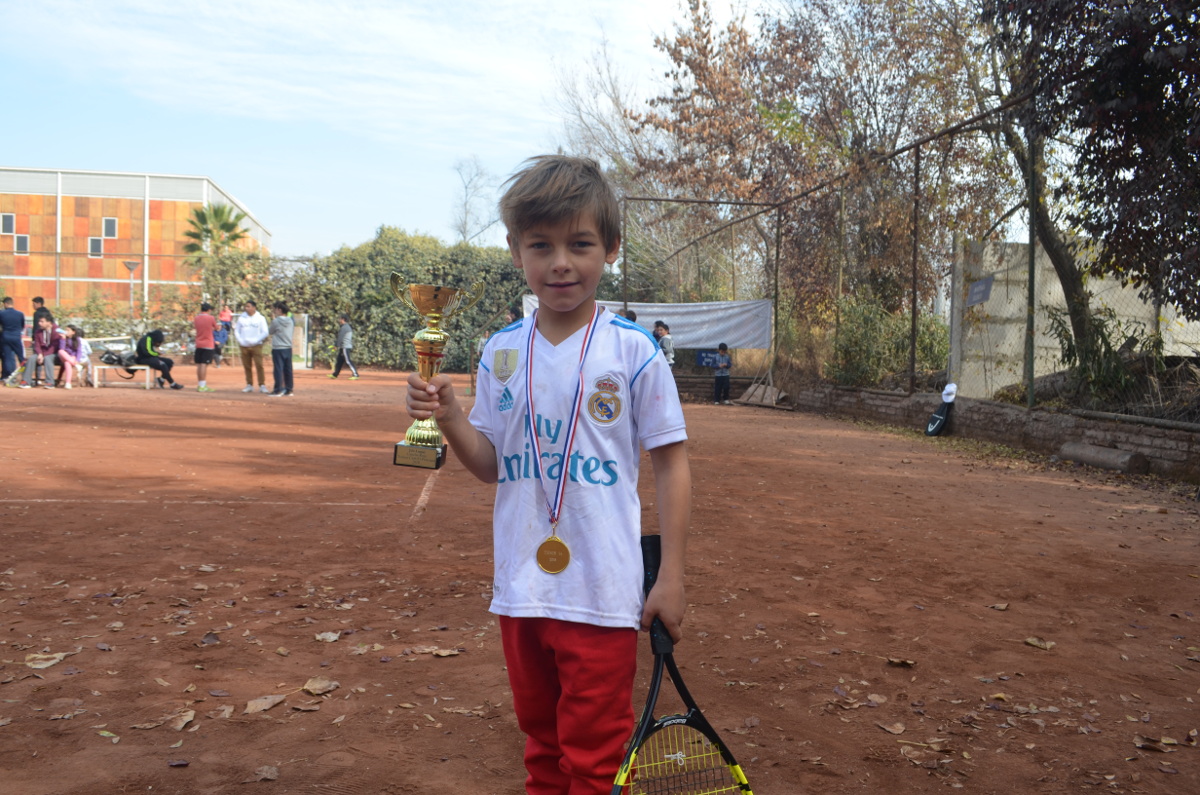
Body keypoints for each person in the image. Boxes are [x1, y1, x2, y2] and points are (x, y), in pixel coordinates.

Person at [406, 155, 690, 794]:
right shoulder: (501, 351)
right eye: (542, 245)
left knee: (592, 761)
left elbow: (672, 464)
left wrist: (670, 577)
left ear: (610, 250)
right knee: (542, 750)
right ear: (516, 252)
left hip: (603, 591)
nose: (561, 261)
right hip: (521, 589)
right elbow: (489, 466)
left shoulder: (634, 353)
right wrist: (450, 416)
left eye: (580, 244)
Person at [234, 300, 269, 393]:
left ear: (254, 308)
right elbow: (237, 330)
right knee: (247, 366)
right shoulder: (242, 318)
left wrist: (256, 340)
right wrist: (241, 341)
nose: (246, 308)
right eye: (246, 306)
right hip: (244, 345)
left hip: (256, 345)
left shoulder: (260, 318)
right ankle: (249, 384)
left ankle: (262, 385)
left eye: (249, 306)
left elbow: (265, 332)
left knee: (259, 365)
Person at [17, 314, 60, 388]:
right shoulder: (38, 332)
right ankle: (26, 381)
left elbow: (54, 347)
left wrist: (44, 355)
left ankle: (50, 382)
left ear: (49, 322)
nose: (39, 323)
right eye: (39, 321)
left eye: (42, 321)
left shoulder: (56, 331)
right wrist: (40, 354)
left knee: (48, 358)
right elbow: (37, 345)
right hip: (42, 353)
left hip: (55, 354)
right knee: (32, 358)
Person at [268, 301, 295, 396]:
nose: (274, 311)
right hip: (288, 347)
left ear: (279, 310)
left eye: (275, 309)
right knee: (288, 369)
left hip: (278, 348)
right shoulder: (290, 321)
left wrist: (273, 320)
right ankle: (289, 389)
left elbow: (270, 331)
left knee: (278, 369)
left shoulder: (276, 321)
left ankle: (278, 390)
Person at [193, 302, 219, 392]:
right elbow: (216, 328)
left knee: (199, 364)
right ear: (209, 310)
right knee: (204, 364)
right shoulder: (211, 318)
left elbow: (198, 328)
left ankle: (200, 384)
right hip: (208, 344)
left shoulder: (196, 318)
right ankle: (202, 385)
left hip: (198, 343)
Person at [0, 296, 25, 383]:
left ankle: (9, 376)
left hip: (5, 337)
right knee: (21, 357)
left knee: (7, 357)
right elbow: (22, 326)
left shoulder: (1, 313)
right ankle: (25, 376)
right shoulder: (20, 314)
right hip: (16, 337)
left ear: (6, 304)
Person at [55, 325, 87, 389]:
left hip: (72, 357)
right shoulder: (63, 338)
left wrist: (77, 360)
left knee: (67, 363)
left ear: (73, 332)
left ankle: (68, 383)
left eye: (68, 330)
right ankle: (77, 365)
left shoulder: (77, 339)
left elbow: (79, 351)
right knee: (60, 351)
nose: (66, 331)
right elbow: (62, 348)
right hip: (63, 356)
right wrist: (63, 339)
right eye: (66, 330)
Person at [329, 314, 359, 379]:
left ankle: (355, 374)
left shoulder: (345, 327)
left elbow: (340, 337)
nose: (339, 320)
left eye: (340, 319)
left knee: (348, 361)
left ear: (343, 319)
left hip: (345, 347)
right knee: (339, 361)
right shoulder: (345, 327)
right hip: (343, 347)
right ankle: (335, 374)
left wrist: (336, 345)